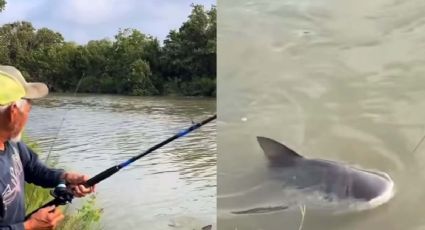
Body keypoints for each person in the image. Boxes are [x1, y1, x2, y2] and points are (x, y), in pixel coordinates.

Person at [0, 65, 95, 229]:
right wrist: (29, 226)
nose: (29, 114)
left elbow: (33, 169)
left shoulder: (11, 144)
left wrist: (66, 178)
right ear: (13, 111)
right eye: (29, 107)